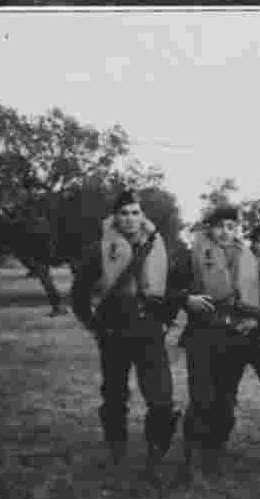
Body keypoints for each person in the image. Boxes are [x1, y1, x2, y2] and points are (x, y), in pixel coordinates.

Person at [71, 189, 191, 477]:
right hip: (113, 331)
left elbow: (174, 289)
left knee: (161, 399)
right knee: (114, 395)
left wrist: (168, 320)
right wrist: (94, 326)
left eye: (135, 213)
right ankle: (117, 451)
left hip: (149, 331)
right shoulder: (98, 249)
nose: (129, 218)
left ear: (142, 216)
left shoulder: (160, 247)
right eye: (123, 213)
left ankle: (155, 455)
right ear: (115, 217)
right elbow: (79, 295)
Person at [180, 206, 260, 481]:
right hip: (209, 336)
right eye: (220, 226)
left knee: (257, 394)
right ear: (209, 228)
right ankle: (197, 455)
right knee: (206, 397)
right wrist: (186, 299)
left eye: (232, 226)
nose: (226, 231)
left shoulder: (257, 267)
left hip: (246, 339)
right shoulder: (194, 258)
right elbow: (171, 289)